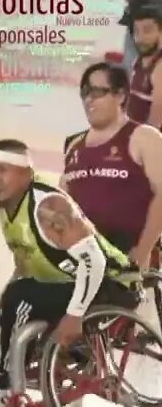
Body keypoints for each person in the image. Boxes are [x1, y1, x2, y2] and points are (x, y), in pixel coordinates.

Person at [0, 139, 138, 407]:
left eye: (3, 170)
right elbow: (25, 263)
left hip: (112, 284)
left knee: (22, 296)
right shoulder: (8, 204)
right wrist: (0, 308)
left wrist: (74, 316)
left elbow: (95, 262)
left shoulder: (49, 207)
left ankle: (5, 388)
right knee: (6, 309)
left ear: (26, 174)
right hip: (70, 283)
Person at [62, 62, 162, 269]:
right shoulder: (73, 146)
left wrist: (142, 252)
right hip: (81, 261)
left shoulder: (144, 138)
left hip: (128, 261)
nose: (89, 99)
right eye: (85, 92)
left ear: (120, 96)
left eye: (98, 92)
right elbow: (62, 203)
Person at [126, 7, 162, 128]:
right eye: (136, 31)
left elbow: (156, 122)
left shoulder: (159, 68)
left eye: (147, 31)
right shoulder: (138, 61)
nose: (140, 38)